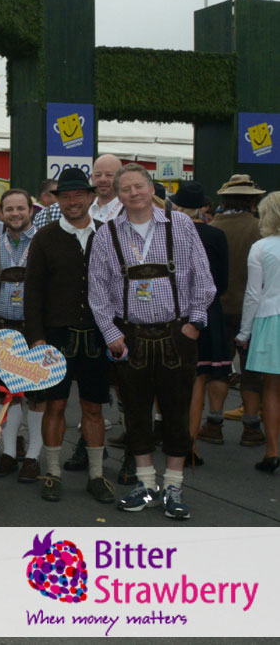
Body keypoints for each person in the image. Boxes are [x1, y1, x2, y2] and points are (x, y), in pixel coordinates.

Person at [89, 163, 215, 521]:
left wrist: (194, 324)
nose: (133, 193)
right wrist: (112, 335)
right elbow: (96, 291)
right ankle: (146, 482)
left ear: (151, 188)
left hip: (177, 334)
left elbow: (203, 280)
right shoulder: (106, 234)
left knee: (176, 413)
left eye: (138, 186)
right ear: (118, 194)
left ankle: (174, 485)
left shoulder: (181, 225)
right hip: (131, 337)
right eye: (125, 188)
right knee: (136, 411)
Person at [23, 168, 113, 505]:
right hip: (56, 335)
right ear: (56, 200)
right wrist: (36, 337)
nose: (72, 202)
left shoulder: (107, 233)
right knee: (55, 406)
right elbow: (32, 294)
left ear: (91, 197)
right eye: (65, 196)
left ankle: (96, 475)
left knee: (93, 408)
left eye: (78, 195)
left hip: (97, 333)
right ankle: (54, 473)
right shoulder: (45, 238)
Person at [0, 188, 43, 481]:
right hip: (2, 330)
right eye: (10, 209)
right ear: (1, 213)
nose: (15, 214)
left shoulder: (43, 242)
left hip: (34, 329)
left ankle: (33, 457)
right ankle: (10, 454)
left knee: (38, 396)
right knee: (7, 393)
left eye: (21, 208)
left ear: (30, 210)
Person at [168, 182, 231, 464]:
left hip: (178, 310)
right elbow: (223, 283)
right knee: (202, 378)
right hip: (210, 310)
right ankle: (190, 443)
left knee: (182, 381)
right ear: (203, 206)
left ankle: (180, 441)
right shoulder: (216, 235)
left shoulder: (170, 233)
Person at [211, 174, 265, 447]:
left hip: (218, 309)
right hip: (252, 310)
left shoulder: (212, 227)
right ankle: (252, 427)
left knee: (218, 368)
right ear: (254, 200)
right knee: (251, 372)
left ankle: (214, 423)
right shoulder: (259, 230)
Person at [237, 192, 280, 472]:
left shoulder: (261, 248)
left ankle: (272, 451)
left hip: (270, 317)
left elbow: (254, 293)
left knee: (272, 389)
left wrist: (244, 332)